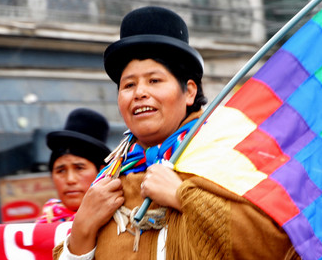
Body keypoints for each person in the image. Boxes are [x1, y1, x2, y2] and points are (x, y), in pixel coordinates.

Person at [53, 6, 300, 259]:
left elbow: (280, 245)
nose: (139, 93)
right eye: (128, 85)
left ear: (189, 92)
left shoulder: (232, 155)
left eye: (154, 81)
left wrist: (184, 197)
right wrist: (81, 230)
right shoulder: (111, 179)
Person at [35, 107, 111, 223]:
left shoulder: (121, 222)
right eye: (60, 171)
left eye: (79, 168)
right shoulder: (41, 228)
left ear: (101, 173)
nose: (70, 180)